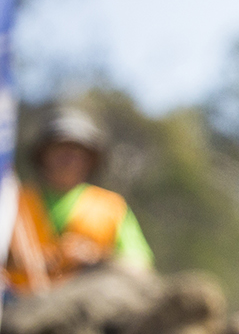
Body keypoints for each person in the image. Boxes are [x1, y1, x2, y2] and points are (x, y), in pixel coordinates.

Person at [4, 106, 154, 295]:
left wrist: (98, 259)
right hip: (15, 309)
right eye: (59, 148)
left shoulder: (111, 207)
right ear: (42, 155)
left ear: (90, 159)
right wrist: (20, 261)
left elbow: (141, 271)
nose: (68, 158)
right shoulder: (13, 200)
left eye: (76, 151)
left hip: (88, 310)